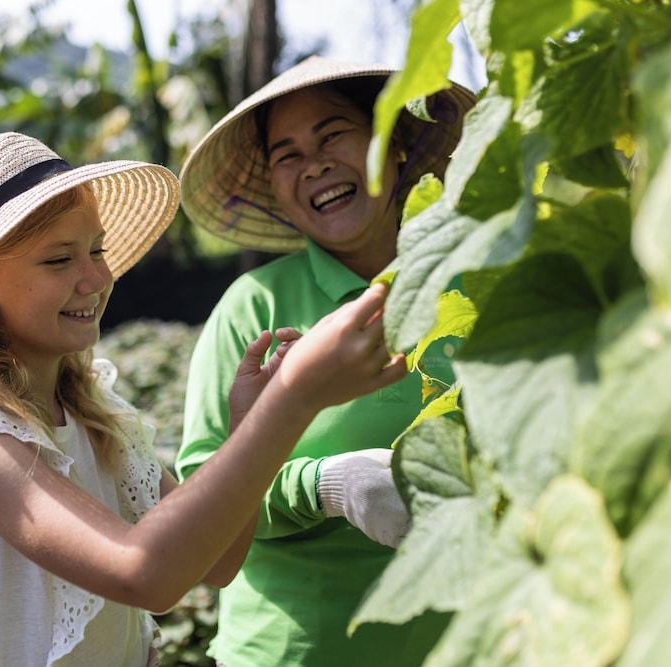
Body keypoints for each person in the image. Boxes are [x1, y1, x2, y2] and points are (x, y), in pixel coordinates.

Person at [0, 131, 410, 666]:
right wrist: (290, 401)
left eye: (96, 250)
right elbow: (145, 574)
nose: (95, 278)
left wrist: (250, 421)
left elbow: (217, 561)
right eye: (58, 260)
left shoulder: (92, 414)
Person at [175, 56, 478, 666]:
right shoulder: (253, 308)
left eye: (333, 134)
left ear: (394, 143)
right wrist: (327, 485)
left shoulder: (474, 279)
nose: (313, 164)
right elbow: (203, 498)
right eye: (286, 155)